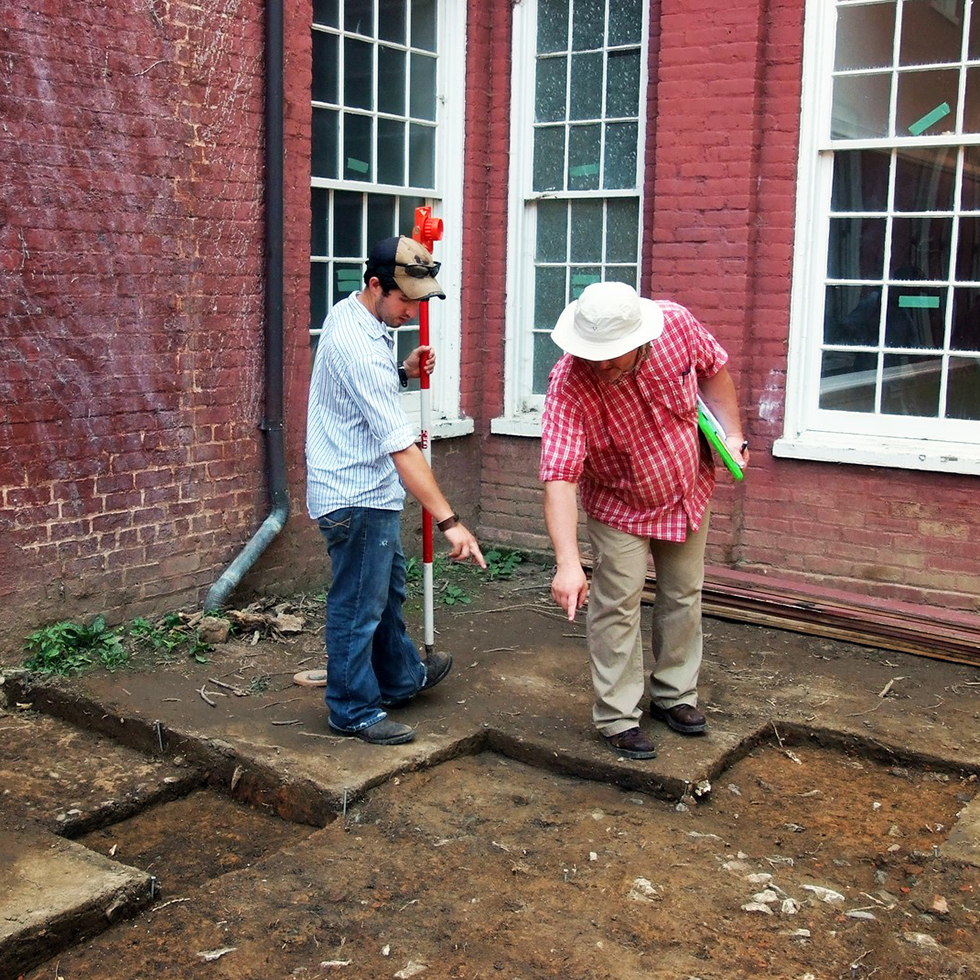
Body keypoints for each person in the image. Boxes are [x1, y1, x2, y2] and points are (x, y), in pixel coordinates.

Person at [539, 281, 749, 760]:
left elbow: (714, 370)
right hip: (620, 504)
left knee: (682, 593)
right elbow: (559, 476)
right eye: (593, 353)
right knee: (617, 603)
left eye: (612, 355)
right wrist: (567, 563)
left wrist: (733, 434)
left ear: (640, 341)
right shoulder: (569, 384)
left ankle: (675, 695)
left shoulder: (675, 324)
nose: (600, 365)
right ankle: (618, 716)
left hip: (687, 488)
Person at [306, 235, 485, 746]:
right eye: (406, 300)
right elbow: (402, 448)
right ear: (375, 285)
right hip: (355, 492)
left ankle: (401, 678)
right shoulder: (356, 344)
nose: (413, 310)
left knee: (387, 594)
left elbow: (360, 393)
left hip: (367, 487)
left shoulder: (358, 315)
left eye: (420, 299)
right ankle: (353, 709)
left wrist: (401, 372)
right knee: (359, 606)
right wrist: (450, 522)